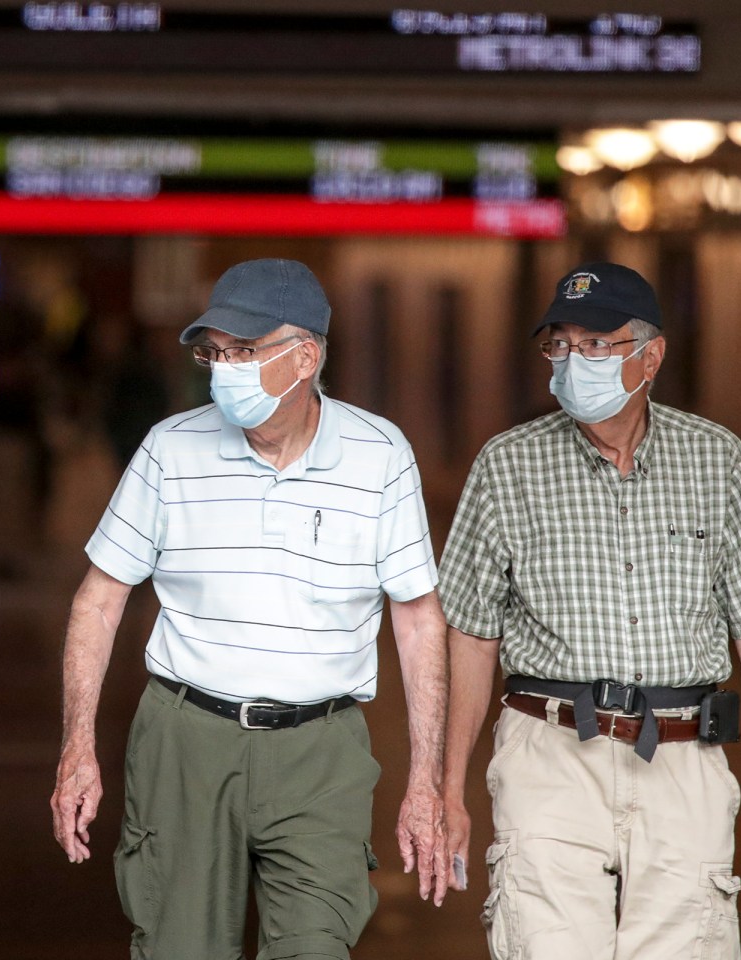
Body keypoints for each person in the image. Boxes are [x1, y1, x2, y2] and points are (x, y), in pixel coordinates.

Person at [49, 258, 450, 960]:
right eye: (214, 353)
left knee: (316, 948)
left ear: (306, 357)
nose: (222, 369)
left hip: (321, 752)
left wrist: (425, 781)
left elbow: (418, 620)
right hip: (186, 743)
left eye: (244, 352)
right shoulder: (170, 449)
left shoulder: (382, 456)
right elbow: (100, 598)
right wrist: (77, 747)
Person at [439, 262, 741, 959]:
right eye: (560, 345)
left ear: (652, 354)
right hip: (548, 753)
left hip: (683, 755)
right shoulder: (506, 465)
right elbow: (470, 635)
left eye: (596, 345)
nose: (573, 361)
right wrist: (445, 789)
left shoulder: (718, 460)